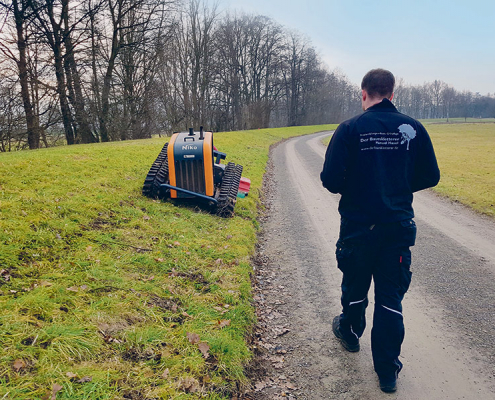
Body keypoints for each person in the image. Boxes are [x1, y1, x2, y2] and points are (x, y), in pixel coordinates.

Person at [320, 68, 440, 393]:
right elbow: (431, 176)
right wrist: (396, 186)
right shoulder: (413, 128)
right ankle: (387, 373)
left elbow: (330, 180)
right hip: (396, 229)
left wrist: (358, 187)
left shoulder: (349, 129)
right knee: (390, 300)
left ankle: (350, 333)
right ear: (391, 92)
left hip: (357, 229)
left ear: (363, 94)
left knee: (356, 288)